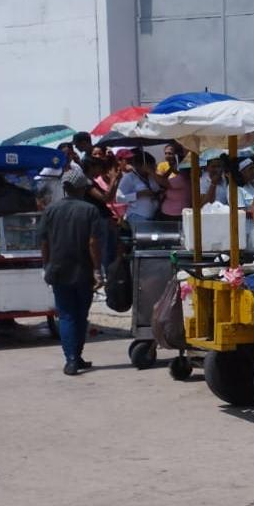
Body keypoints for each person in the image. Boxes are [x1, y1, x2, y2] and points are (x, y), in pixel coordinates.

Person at [40, 168, 104, 376]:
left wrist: (45, 266)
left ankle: (72, 359)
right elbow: (93, 242)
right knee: (80, 315)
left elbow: (44, 242)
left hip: (58, 270)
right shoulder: (90, 210)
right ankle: (75, 356)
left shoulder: (50, 210)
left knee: (66, 316)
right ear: (81, 188)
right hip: (83, 271)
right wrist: (97, 270)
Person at [116, 149, 162, 223]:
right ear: (140, 165)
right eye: (150, 165)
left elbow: (157, 190)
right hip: (137, 216)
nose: (153, 167)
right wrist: (139, 194)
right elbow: (119, 198)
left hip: (153, 216)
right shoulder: (129, 177)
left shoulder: (151, 177)